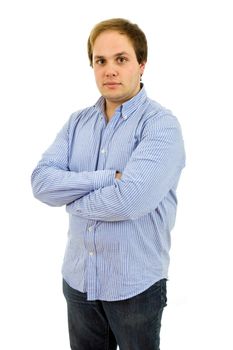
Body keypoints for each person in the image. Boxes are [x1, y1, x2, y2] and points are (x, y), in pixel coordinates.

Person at [31, 18, 185, 350]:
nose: (110, 70)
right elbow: (42, 182)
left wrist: (71, 199)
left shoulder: (161, 127)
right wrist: (106, 178)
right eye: (100, 61)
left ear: (141, 64)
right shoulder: (77, 123)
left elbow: (130, 201)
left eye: (121, 59)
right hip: (79, 280)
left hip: (135, 287)